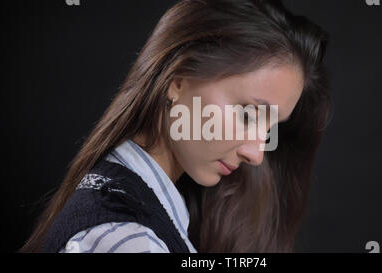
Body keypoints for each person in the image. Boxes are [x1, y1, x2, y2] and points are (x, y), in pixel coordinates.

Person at [20, 0, 332, 253]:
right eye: (248, 114)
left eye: (269, 129)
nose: (257, 154)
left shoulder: (130, 201)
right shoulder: (128, 240)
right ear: (177, 80)